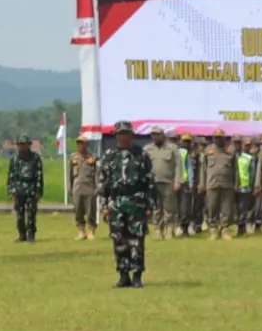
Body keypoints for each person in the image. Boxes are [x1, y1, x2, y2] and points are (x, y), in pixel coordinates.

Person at [98, 120, 155, 287]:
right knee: (119, 240)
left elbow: (150, 181)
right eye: (121, 134)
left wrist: (149, 205)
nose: (124, 137)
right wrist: (104, 206)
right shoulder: (109, 155)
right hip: (116, 203)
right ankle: (123, 275)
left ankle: (137, 275)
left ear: (131, 135)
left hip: (136, 202)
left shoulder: (141, 154)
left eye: (127, 133)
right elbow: (103, 183)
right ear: (116, 135)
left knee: (136, 240)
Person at [142, 128, 182, 239]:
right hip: (153, 183)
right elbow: (143, 166)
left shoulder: (172, 148)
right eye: (153, 135)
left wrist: (177, 181)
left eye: (157, 135)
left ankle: (169, 229)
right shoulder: (147, 149)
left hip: (168, 182)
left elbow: (178, 166)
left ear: (162, 135)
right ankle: (158, 230)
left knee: (169, 207)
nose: (155, 137)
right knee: (156, 207)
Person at [6, 135, 44, 243]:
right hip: (18, 189)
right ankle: (22, 235)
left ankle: (31, 235)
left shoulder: (35, 158)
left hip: (31, 189)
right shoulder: (14, 159)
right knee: (19, 214)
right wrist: (11, 190)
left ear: (29, 145)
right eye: (20, 144)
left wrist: (38, 191)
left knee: (31, 214)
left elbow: (39, 176)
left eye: (24, 144)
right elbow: (11, 176)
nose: (22, 147)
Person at [204, 130, 238, 239]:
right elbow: (203, 169)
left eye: (220, 137)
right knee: (212, 207)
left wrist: (236, 184)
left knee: (226, 208)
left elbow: (235, 170)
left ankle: (225, 229)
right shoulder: (208, 150)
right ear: (213, 138)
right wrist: (202, 184)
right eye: (216, 137)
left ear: (224, 138)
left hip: (227, 184)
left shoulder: (231, 151)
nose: (218, 139)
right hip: (212, 184)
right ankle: (213, 229)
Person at [70, 135, 100, 239]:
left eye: (82, 143)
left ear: (86, 145)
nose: (80, 145)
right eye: (78, 143)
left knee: (91, 210)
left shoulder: (92, 158)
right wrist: (70, 187)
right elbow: (70, 174)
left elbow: (97, 173)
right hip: (77, 188)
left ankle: (91, 231)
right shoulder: (74, 158)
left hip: (89, 187)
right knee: (78, 209)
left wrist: (97, 187)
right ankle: (81, 231)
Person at [235, 136, 258, 236]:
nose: (247, 147)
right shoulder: (234, 156)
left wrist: (253, 186)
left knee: (243, 209)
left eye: (249, 145)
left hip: (245, 187)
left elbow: (252, 172)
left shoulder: (250, 158)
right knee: (235, 209)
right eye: (246, 145)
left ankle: (242, 227)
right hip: (233, 187)